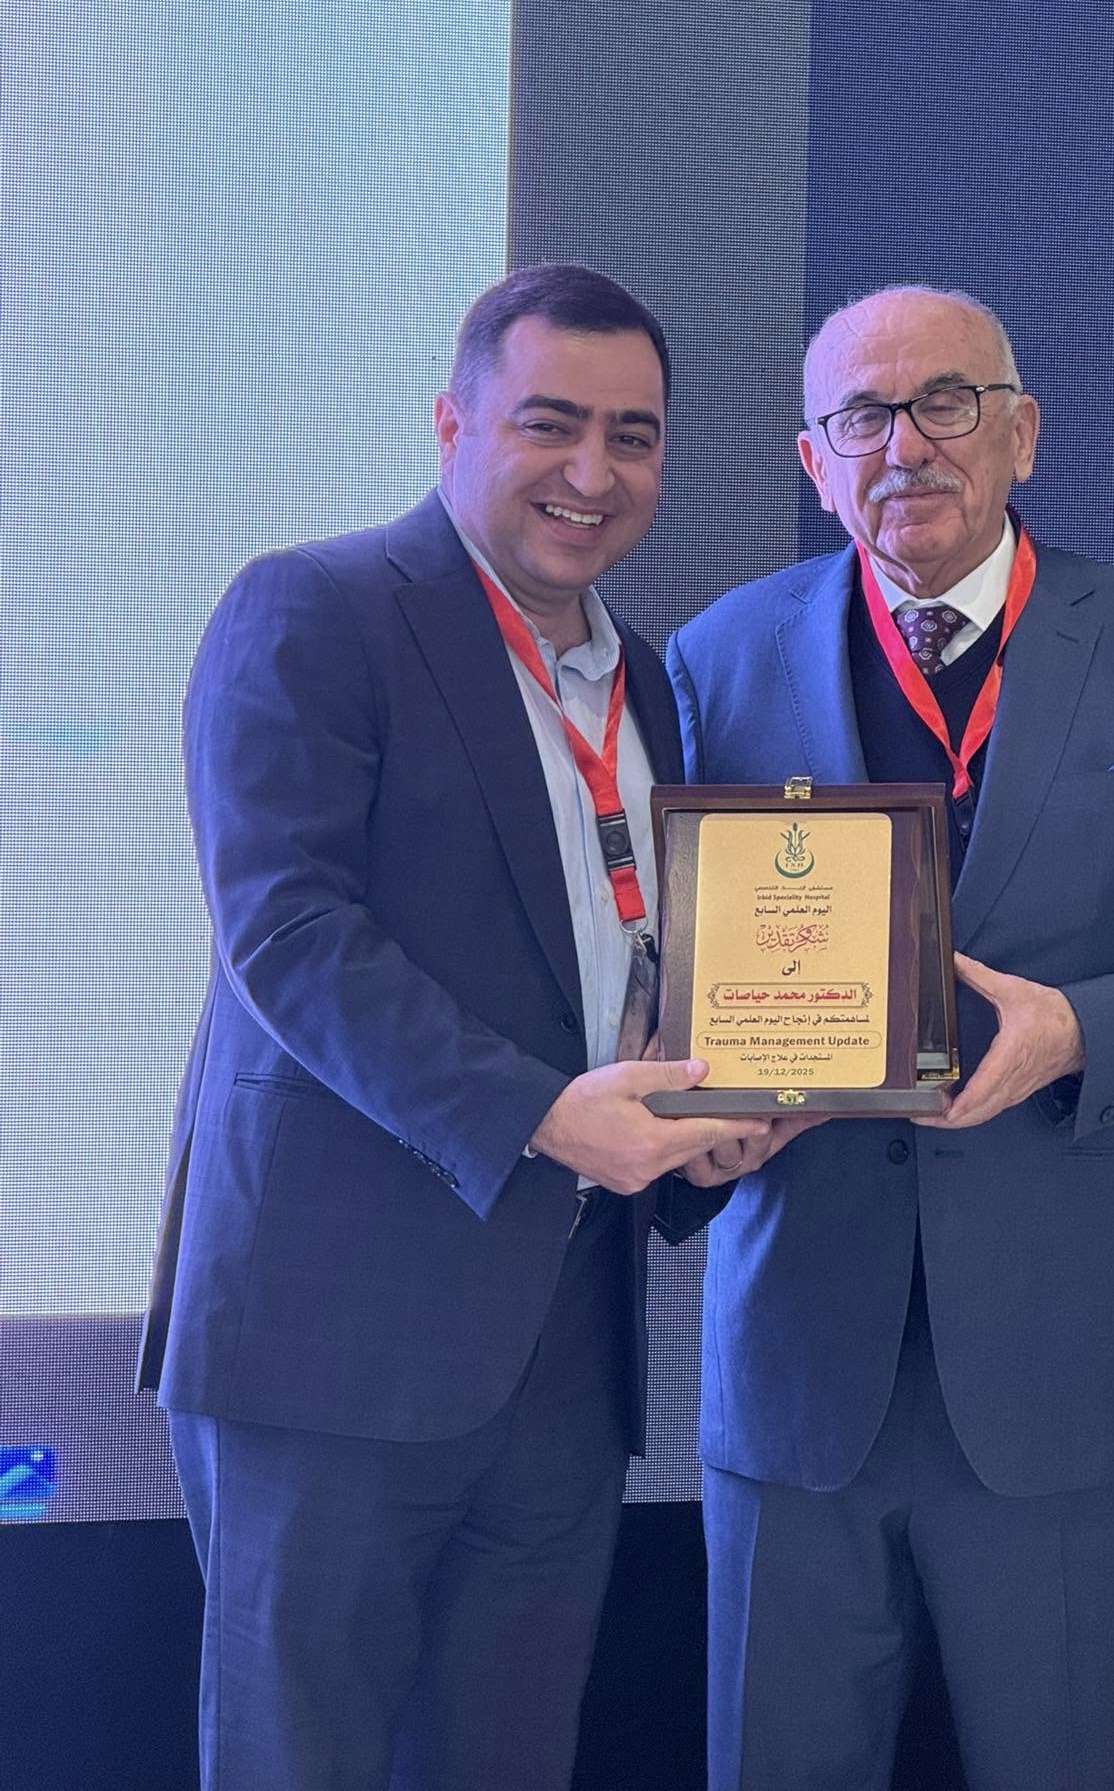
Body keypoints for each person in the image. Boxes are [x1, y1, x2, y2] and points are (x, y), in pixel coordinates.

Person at [667, 284, 1114, 1791]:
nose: (907, 445)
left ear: (1021, 432)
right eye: (863, 416)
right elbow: (665, 975)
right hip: (797, 1375)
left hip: (1071, 1378)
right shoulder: (718, 657)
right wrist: (694, 1114)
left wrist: (1082, 1031)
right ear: (813, 460)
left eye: (946, 403)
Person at [139, 263, 765, 1791]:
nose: (592, 472)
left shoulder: (649, 678)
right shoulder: (317, 609)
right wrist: (546, 1115)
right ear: (451, 423)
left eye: (633, 436)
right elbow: (289, 935)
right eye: (551, 424)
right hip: (333, 1347)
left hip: (563, 1350)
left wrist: (710, 1118)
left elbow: (626, 961)